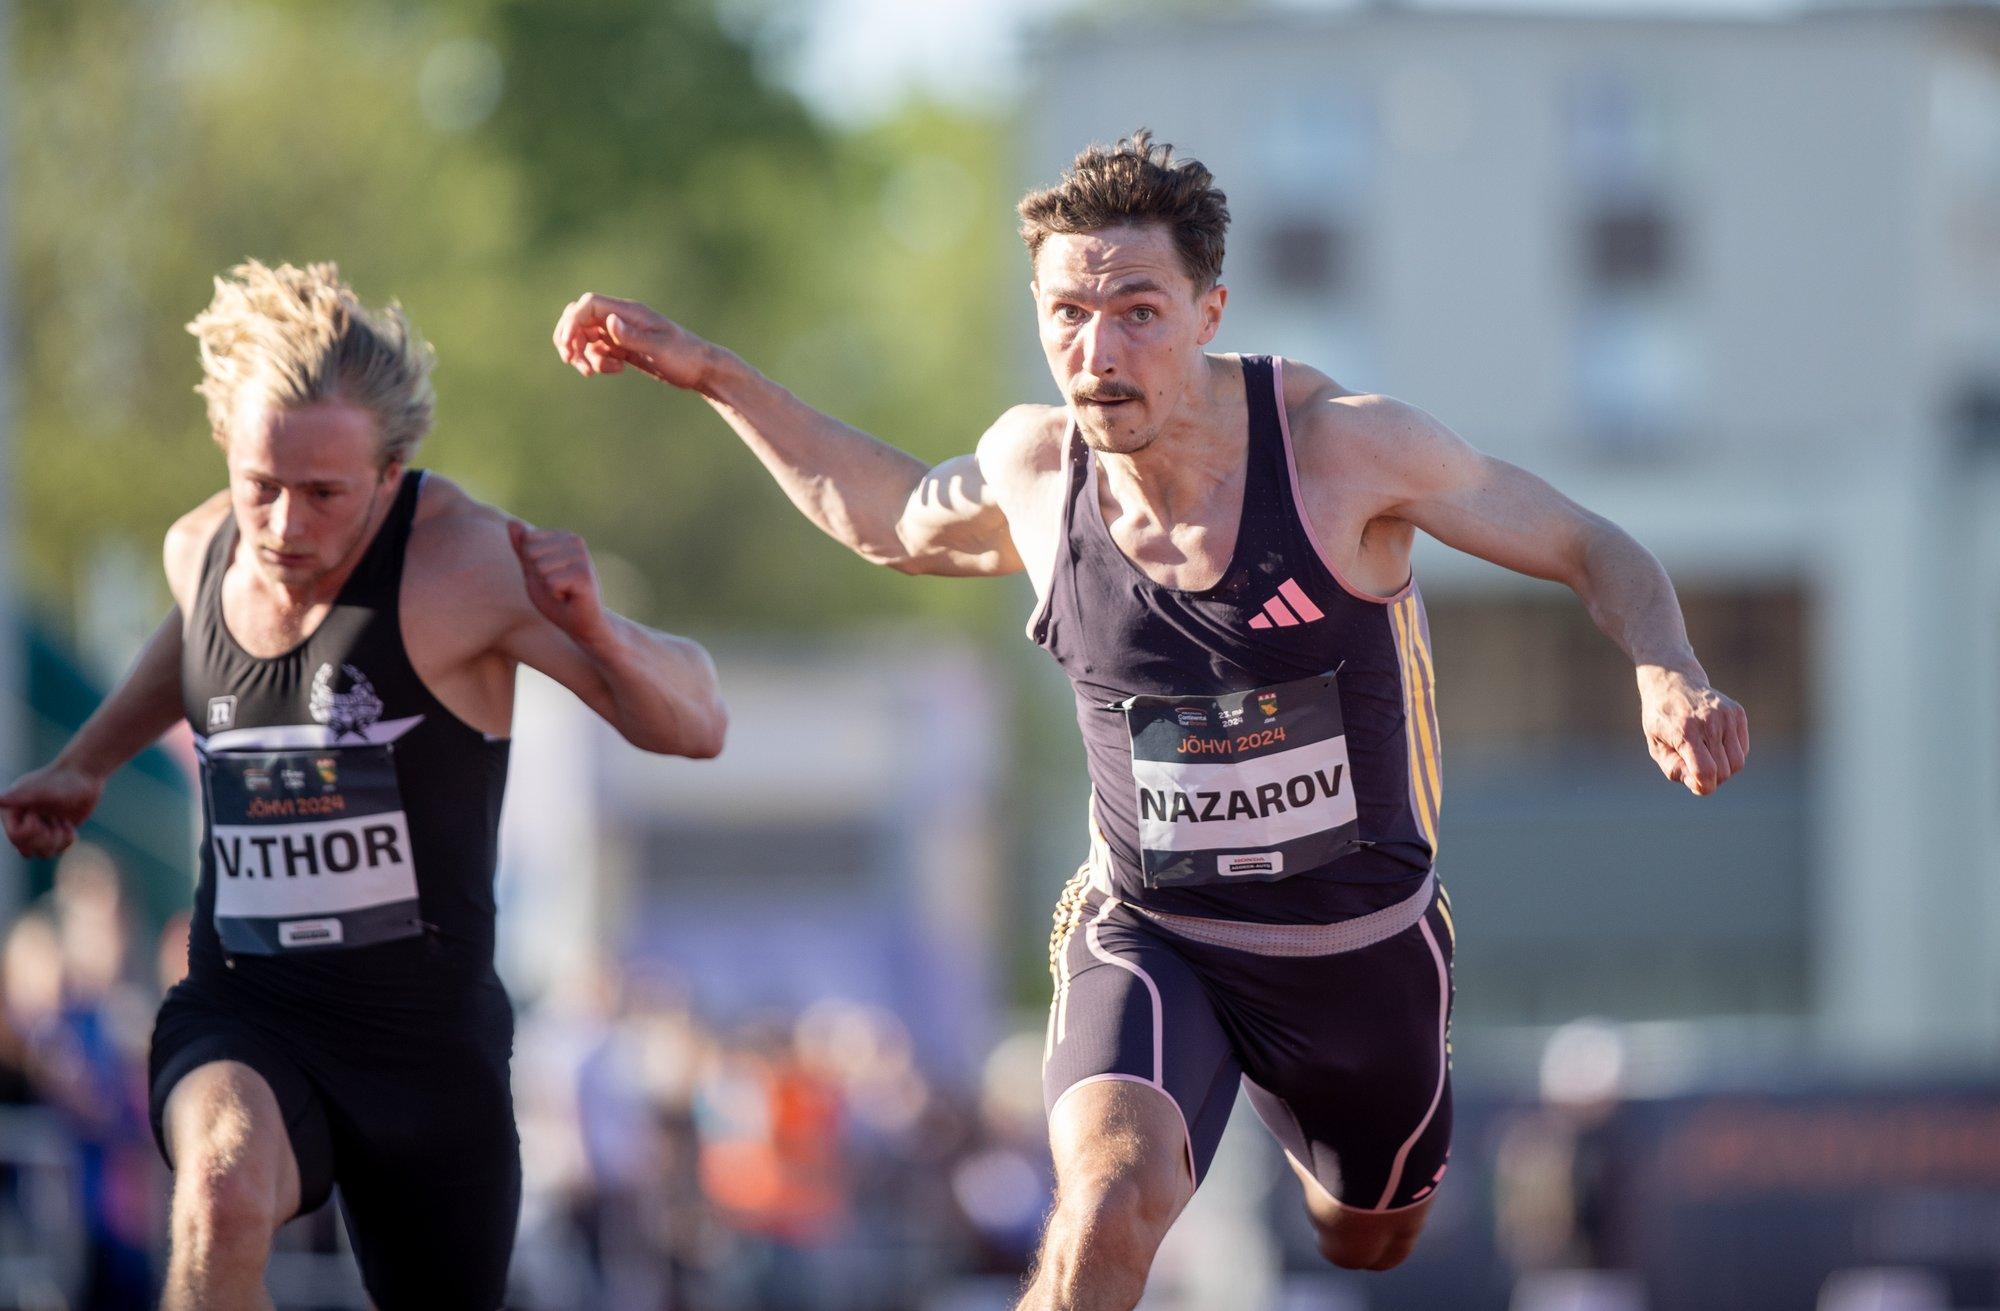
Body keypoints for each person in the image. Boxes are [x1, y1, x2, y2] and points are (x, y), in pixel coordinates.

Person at [548, 131, 1748, 1311]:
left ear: (1208, 311)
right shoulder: (1036, 471)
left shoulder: (1343, 453)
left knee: (1367, 1239)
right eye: (1066, 314)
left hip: (1356, 949)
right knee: (1107, 1200)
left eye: (1136, 311)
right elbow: (892, 516)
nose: (1096, 351)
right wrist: (710, 371)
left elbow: (1589, 541)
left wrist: (1666, 667)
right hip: (1153, 933)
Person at [1, 260, 727, 1309]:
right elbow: (193, 641)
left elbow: (698, 722)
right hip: (247, 1006)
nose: (285, 527)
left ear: (389, 477)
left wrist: (592, 628)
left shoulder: (466, 565)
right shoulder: (201, 548)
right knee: (218, 1189)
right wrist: (85, 763)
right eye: (261, 486)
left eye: (324, 495)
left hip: (426, 1053)